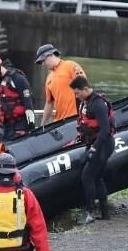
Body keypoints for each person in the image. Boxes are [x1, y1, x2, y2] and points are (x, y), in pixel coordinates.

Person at [70, 76, 115, 224]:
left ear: (85, 89)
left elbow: (105, 130)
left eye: (77, 93)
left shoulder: (98, 104)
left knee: (87, 176)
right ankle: (104, 212)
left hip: (103, 145)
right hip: (94, 144)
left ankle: (89, 212)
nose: (77, 96)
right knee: (97, 177)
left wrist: (94, 149)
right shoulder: (86, 102)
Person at [0, 53, 35, 140]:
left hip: (20, 126)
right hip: (3, 128)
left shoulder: (17, 79)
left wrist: (31, 122)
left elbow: (28, 101)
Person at [35, 43, 86, 126]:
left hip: (76, 120)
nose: (43, 64)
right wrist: (42, 126)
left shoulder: (71, 66)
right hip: (60, 123)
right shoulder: (49, 78)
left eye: (43, 60)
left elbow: (84, 89)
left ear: (50, 55)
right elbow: (49, 103)